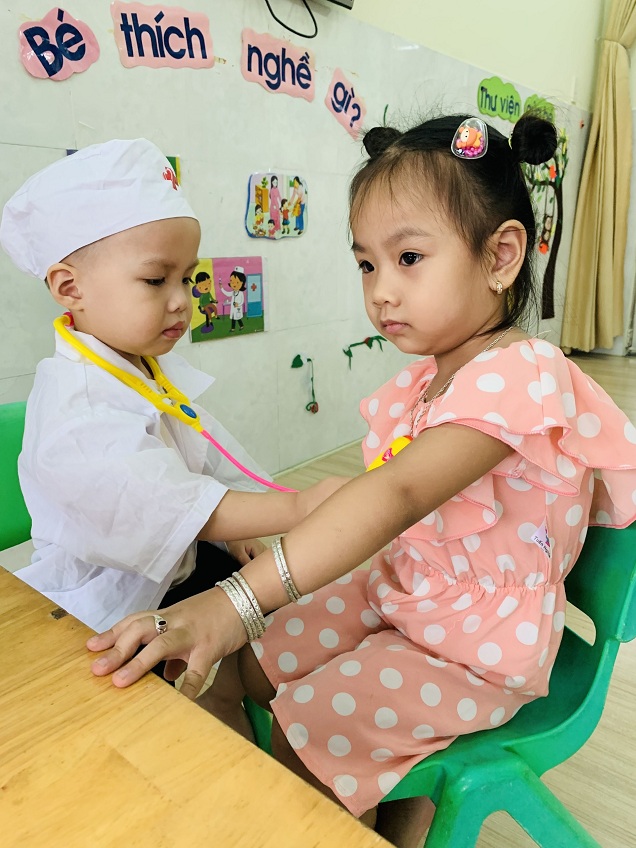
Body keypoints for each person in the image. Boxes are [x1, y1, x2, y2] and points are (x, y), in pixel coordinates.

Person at [88, 115, 636, 848]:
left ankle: (310, 812)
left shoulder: (523, 373)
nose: (381, 291)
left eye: (408, 258)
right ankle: (262, 809)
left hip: (475, 646)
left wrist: (234, 599)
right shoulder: (429, 379)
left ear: (501, 256)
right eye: (367, 265)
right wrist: (246, 600)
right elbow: (386, 504)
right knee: (240, 664)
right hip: (409, 591)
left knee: (309, 730)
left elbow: (397, 494)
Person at [0, 139, 343, 650]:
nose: (182, 301)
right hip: (103, 611)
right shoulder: (79, 414)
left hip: (174, 568)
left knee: (278, 620)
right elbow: (163, 508)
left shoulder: (139, 366)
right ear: (70, 288)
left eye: (187, 277)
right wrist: (300, 507)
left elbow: (197, 461)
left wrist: (234, 529)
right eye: (156, 280)